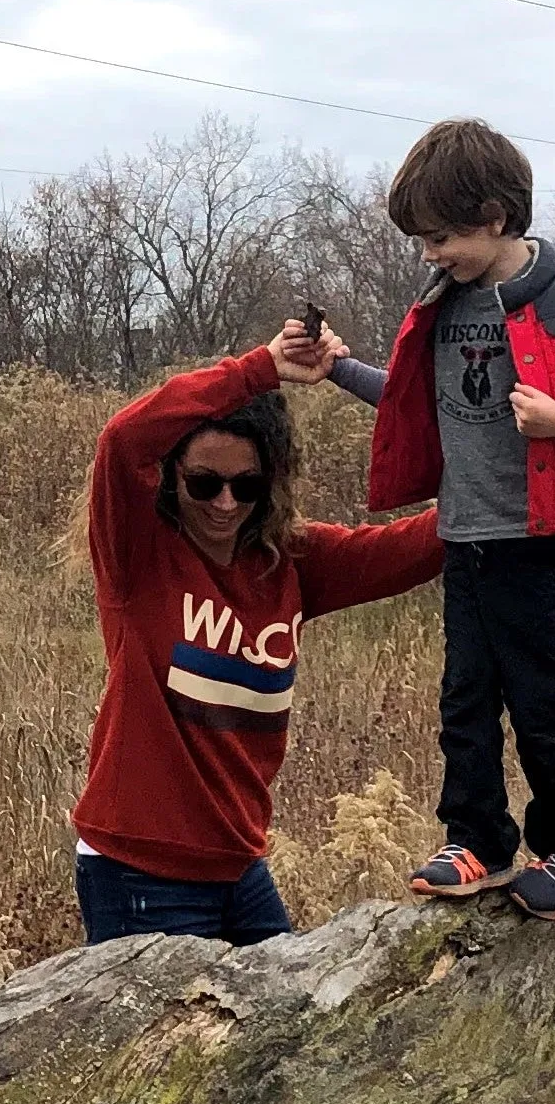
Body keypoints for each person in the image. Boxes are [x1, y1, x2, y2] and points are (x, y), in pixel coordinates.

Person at [320, 118, 555, 922]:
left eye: (442, 236)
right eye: (422, 240)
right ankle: (480, 841)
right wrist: (335, 367)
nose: (430, 253)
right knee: (464, 697)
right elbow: (407, 393)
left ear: (495, 216)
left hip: (542, 541)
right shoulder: (443, 301)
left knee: (539, 699)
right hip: (464, 535)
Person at [70, 325, 441, 946]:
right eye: (203, 483)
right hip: (139, 867)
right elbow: (122, 439)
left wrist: (498, 476)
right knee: (174, 1045)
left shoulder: (289, 560)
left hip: (239, 862)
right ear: (170, 478)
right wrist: (258, 370)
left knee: (281, 1036)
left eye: (246, 486)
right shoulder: (138, 553)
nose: (224, 503)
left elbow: (421, 546)